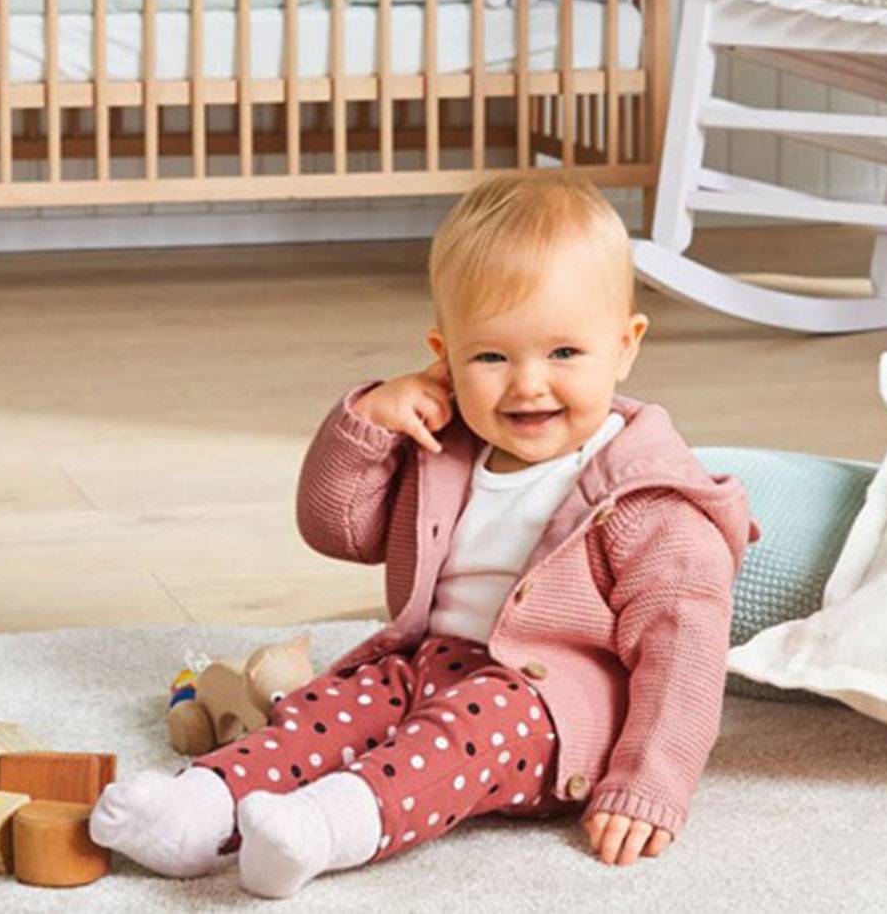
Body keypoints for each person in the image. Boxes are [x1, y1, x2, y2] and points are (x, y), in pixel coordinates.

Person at [89, 170, 760, 899]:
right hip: (428, 662)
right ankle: (201, 807)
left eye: (564, 354)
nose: (528, 384)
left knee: (463, 730)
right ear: (444, 356)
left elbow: (684, 652)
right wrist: (367, 425)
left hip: (550, 710)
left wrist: (648, 784)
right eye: (491, 358)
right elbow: (335, 528)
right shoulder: (443, 449)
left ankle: (326, 825)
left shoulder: (648, 495)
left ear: (625, 346)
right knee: (331, 708)